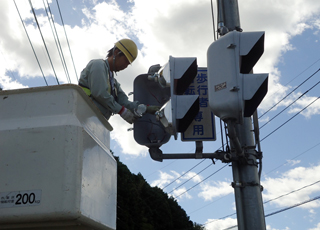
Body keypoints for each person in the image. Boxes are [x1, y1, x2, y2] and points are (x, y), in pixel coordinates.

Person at [79, 38, 153, 124]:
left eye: (128, 64)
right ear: (116, 52)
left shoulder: (113, 83)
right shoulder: (98, 65)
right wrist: (121, 111)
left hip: (95, 123)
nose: (125, 66)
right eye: (125, 61)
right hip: (83, 116)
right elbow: (100, 93)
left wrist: (145, 108)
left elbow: (124, 102)